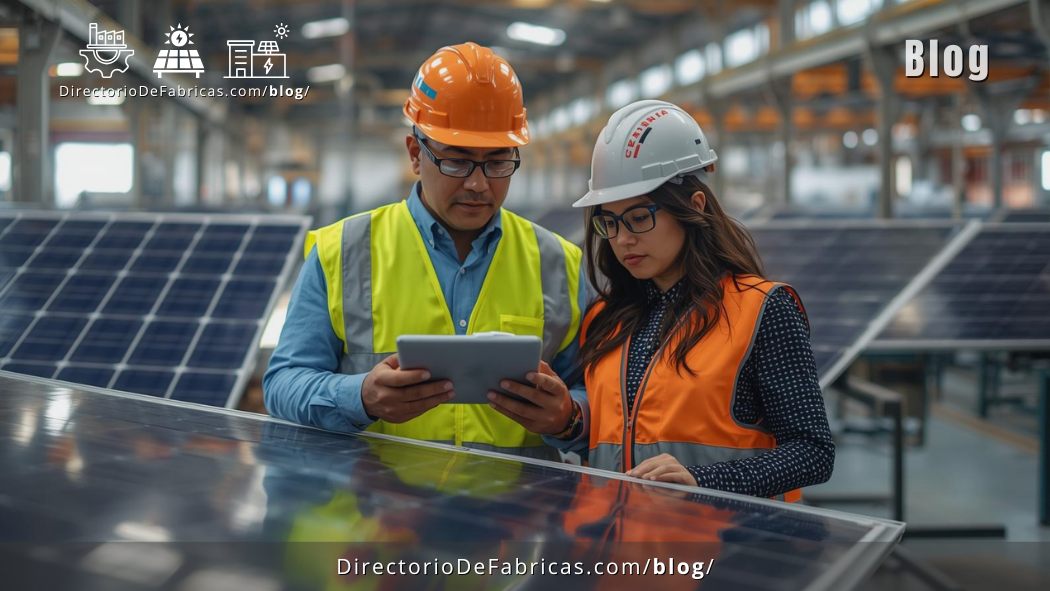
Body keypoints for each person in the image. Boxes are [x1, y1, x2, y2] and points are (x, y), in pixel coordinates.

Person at [264, 42, 586, 461]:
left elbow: (595, 395)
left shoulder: (560, 262)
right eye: (457, 161)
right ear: (416, 154)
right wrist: (359, 397)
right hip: (377, 515)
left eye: (497, 162)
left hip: (511, 518)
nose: (478, 184)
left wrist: (568, 416)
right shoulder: (340, 251)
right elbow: (282, 383)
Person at [564, 99, 833, 500]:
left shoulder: (762, 311)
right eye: (610, 221)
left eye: (639, 218)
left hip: (725, 552)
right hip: (620, 554)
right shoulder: (606, 320)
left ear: (694, 207)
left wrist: (704, 482)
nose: (622, 239)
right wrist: (565, 422)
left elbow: (813, 453)